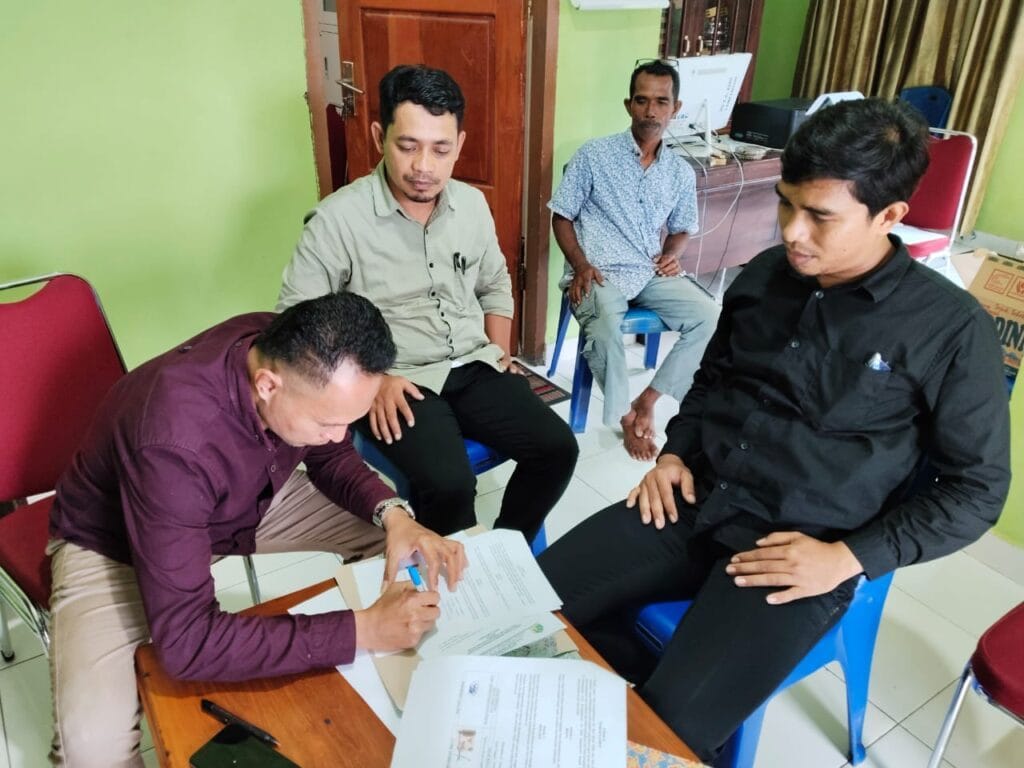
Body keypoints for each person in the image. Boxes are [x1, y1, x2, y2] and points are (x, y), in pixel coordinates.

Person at [538, 98, 1011, 761]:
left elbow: (977, 491)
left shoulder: (951, 329)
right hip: (692, 501)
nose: (792, 231)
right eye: (787, 205)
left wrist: (848, 559)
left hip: (797, 552)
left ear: (889, 216)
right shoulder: (765, 275)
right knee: (526, 610)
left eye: (820, 216)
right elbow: (713, 379)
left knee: (663, 733)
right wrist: (675, 454)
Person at [47, 292, 467, 767]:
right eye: (328, 422)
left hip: (244, 496)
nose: (338, 435)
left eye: (346, 421)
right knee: (92, 750)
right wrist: (360, 630)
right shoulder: (173, 443)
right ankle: (369, 637)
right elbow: (187, 644)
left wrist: (396, 515)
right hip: (115, 538)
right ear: (267, 385)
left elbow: (331, 455)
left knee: (393, 543)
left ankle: (386, 688)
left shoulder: (282, 344)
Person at [278, 64, 578, 542]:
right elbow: (296, 324)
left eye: (440, 149)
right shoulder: (337, 221)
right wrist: (371, 382)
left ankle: (507, 549)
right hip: (398, 377)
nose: (424, 166)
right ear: (379, 137)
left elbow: (495, 283)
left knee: (558, 448)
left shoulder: (471, 205)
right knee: (448, 484)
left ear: (459, 144)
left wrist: (500, 352)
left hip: (473, 362)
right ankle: (455, 573)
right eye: (408, 145)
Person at [549, 59, 720, 461]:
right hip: (598, 271)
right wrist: (580, 264)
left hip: (647, 270)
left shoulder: (679, 172)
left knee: (710, 316)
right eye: (642, 101)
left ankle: (649, 399)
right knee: (605, 324)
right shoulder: (594, 155)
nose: (651, 111)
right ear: (629, 105)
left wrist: (672, 255)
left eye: (661, 102)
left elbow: (682, 229)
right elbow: (561, 216)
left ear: (676, 109)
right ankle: (627, 417)